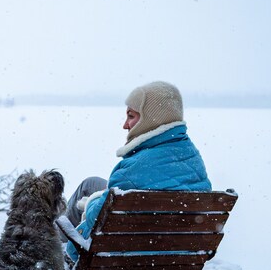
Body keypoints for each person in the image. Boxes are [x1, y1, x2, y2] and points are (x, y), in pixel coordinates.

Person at [63, 81, 211, 260]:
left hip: (131, 257)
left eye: (131, 116)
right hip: (179, 257)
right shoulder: (192, 155)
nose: (125, 125)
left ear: (151, 119)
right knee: (92, 183)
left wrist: (91, 203)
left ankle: (46, 247)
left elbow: (93, 224)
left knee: (87, 197)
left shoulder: (131, 170)